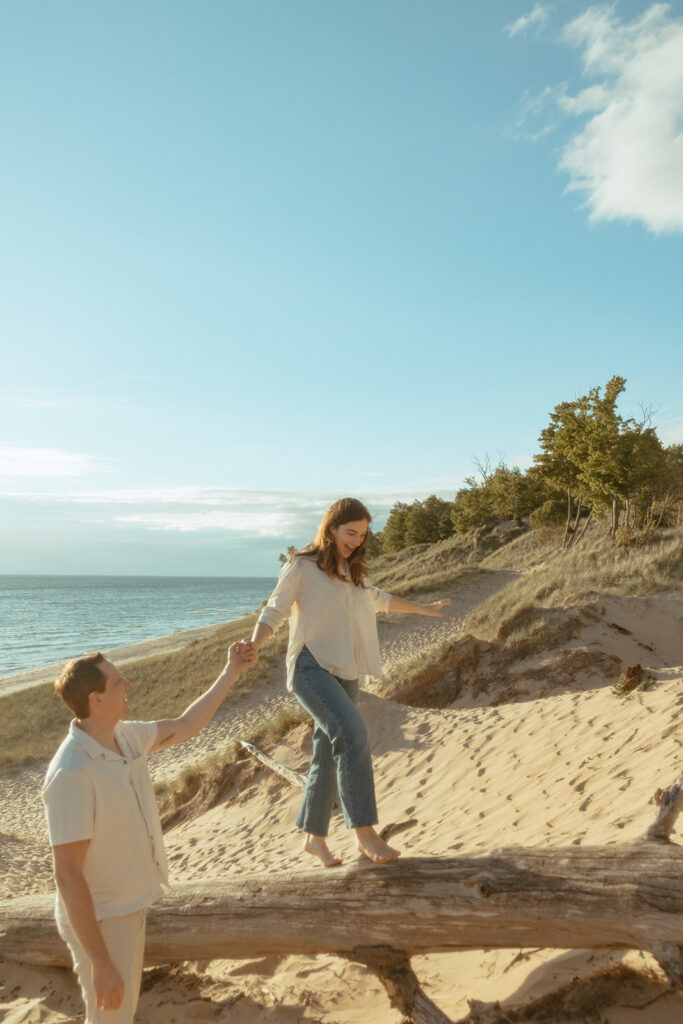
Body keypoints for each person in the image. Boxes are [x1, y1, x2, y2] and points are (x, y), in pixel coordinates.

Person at [42, 641, 253, 1023]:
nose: (130, 684)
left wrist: (231, 671)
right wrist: (100, 961)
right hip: (102, 921)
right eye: (119, 682)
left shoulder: (125, 736)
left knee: (120, 1014)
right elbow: (67, 873)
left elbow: (188, 726)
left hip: (128, 909)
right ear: (96, 700)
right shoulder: (71, 773)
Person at [248, 497, 450, 867]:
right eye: (350, 532)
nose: (357, 541)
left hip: (347, 671)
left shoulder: (351, 570)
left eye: (363, 535)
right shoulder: (301, 566)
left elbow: (377, 599)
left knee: (325, 754)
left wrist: (426, 609)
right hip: (311, 667)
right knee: (353, 732)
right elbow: (274, 610)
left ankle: (314, 838)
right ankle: (364, 833)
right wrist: (254, 644)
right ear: (331, 528)